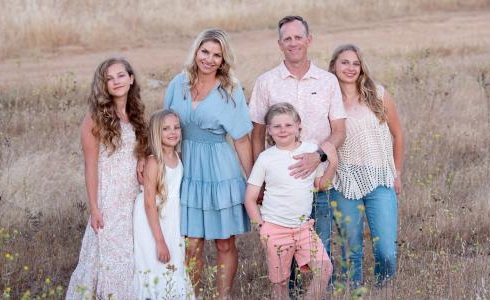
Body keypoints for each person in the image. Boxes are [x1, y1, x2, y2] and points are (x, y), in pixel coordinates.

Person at [248, 15, 346, 294]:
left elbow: (339, 130)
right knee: (282, 265)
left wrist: (320, 157)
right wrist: (263, 179)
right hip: (280, 182)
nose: (293, 43)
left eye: (298, 37)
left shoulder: (327, 81)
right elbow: (256, 133)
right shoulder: (266, 82)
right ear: (280, 44)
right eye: (287, 38)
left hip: (317, 181)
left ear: (309, 40)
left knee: (317, 255)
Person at [163, 28, 253, 298]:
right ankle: (194, 295)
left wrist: (253, 182)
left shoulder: (230, 90)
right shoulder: (176, 84)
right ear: (196, 51)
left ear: (224, 60)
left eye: (217, 55)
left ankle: (222, 296)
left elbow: (241, 140)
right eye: (205, 52)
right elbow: (163, 128)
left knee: (224, 242)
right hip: (186, 169)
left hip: (219, 169)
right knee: (191, 244)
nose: (209, 59)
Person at [67, 57, 148, 299]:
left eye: (121, 75)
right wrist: (94, 208)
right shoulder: (95, 118)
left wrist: (143, 156)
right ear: (103, 85)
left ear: (131, 79)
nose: (116, 82)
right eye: (109, 78)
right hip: (109, 199)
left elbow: (139, 148)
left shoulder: (135, 115)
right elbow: (90, 167)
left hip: (133, 197)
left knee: (131, 256)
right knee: (108, 256)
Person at [328, 44, 404, 287]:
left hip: (381, 179)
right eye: (344, 62)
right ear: (334, 66)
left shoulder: (378, 94)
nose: (350, 68)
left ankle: (384, 291)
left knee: (387, 252)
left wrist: (397, 172)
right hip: (344, 181)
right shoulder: (328, 101)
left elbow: (399, 135)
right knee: (351, 253)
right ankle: (354, 293)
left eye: (355, 63)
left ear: (361, 68)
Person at [244, 102, 336, 300]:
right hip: (275, 230)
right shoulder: (266, 158)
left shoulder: (310, 151)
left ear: (298, 126)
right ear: (268, 130)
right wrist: (261, 227)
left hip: (303, 228)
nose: (283, 130)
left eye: (288, 125)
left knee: (325, 269)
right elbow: (250, 198)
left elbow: (321, 184)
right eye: (277, 126)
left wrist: (333, 162)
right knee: (281, 283)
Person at [134, 109, 195, 299]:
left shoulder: (177, 157)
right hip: (154, 218)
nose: (173, 132)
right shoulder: (154, 162)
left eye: (176, 127)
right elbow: (149, 204)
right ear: (155, 133)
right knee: (155, 261)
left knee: (175, 261)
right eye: (165, 129)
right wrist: (160, 241)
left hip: (172, 217)